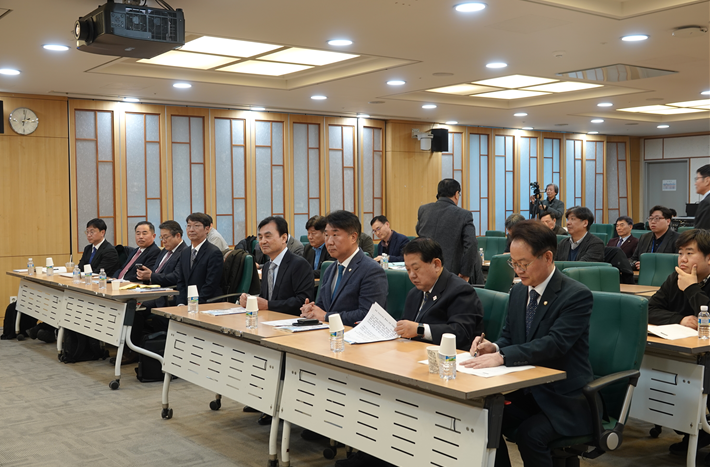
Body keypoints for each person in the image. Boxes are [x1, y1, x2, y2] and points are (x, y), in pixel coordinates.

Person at [462, 220, 595, 467]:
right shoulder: (518, 292)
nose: (518, 270)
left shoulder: (576, 295)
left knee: (530, 436)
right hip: (528, 391)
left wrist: (503, 356)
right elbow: (509, 336)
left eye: (524, 264)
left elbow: (554, 344)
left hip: (563, 398)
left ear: (547, 257)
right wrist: (494, 347)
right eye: (513, 263)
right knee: (483, 419)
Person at [647, 229, 710, 455]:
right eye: (680, 253)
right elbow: (650, 309)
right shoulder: (675, 278)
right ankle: (691, 427)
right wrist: (680, 319)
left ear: (709, 258)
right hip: (682, 350)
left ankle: (701, 428)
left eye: (689, 253)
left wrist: (692, 288)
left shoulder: (687, 281)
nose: (682, 259)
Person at [300, 210, 387, 327]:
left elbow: (368, 315)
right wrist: (311, 311)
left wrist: (327, 316)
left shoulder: (371, 270)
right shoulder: (330, 269)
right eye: (326, 235)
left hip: (353, 335)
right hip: (328, 332)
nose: (329, 242)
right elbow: (322, 307)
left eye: (335, 235)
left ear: (353, 237)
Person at [396, 237, 483, 350]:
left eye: (416, 268)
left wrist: (420, 329)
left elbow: (461, 333)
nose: (412, 275)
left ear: (436, 265)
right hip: (414, 352)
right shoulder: (414, 293)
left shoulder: (460, 290)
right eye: (408, 270)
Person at [239, 216, 313, 316]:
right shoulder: (267, 267)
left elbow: (302, 301)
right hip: (268, 320)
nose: (263, 241)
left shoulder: (299, 264)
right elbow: (265, 298)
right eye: (260, 237)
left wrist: (268, 305)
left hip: (289, 321)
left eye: (268, 236)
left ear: (284, 238)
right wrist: (250, 300)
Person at [416, 178, 483, 284]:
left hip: (425, 270)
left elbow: (419, 232)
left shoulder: (424, 210)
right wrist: (465, 273)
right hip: (450, 274)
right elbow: (471, 244)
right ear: (456, 194)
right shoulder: (464, 215)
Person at [175, 213, 224, 306]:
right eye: (189, 226)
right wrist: (181, 303)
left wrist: (194, 303)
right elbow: (181, 282)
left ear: (207, 229)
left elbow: (211, 284)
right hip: (187, 304)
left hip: (207, 303)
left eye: (196, 226)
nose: (191, 230)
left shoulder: (214, 252)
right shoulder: (185, 252)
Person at [136, 220, 188, 306]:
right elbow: (156, 271)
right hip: (151, 290)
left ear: (178, 235)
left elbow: (176, 277)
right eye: (161, 237)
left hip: (165, 296)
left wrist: (151, 276)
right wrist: (147, 273)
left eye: (166, 237)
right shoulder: (165, 250)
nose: (163, 241)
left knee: (134, 306)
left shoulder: (185, 252)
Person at [630, 205, 680, 270]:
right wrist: (636, 265)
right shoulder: (644, 237)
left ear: (668, 221)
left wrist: (650, 265)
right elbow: (633, 259)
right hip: (644, 274)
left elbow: (677, 263)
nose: (653, 222)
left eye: (657, 218)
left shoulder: (678, 239)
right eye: (650, 218)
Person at [694, 164, 709, 230]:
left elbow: (701, 232)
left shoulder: (707, 202)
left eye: (697, 179)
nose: (695, 183)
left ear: (707, 180)